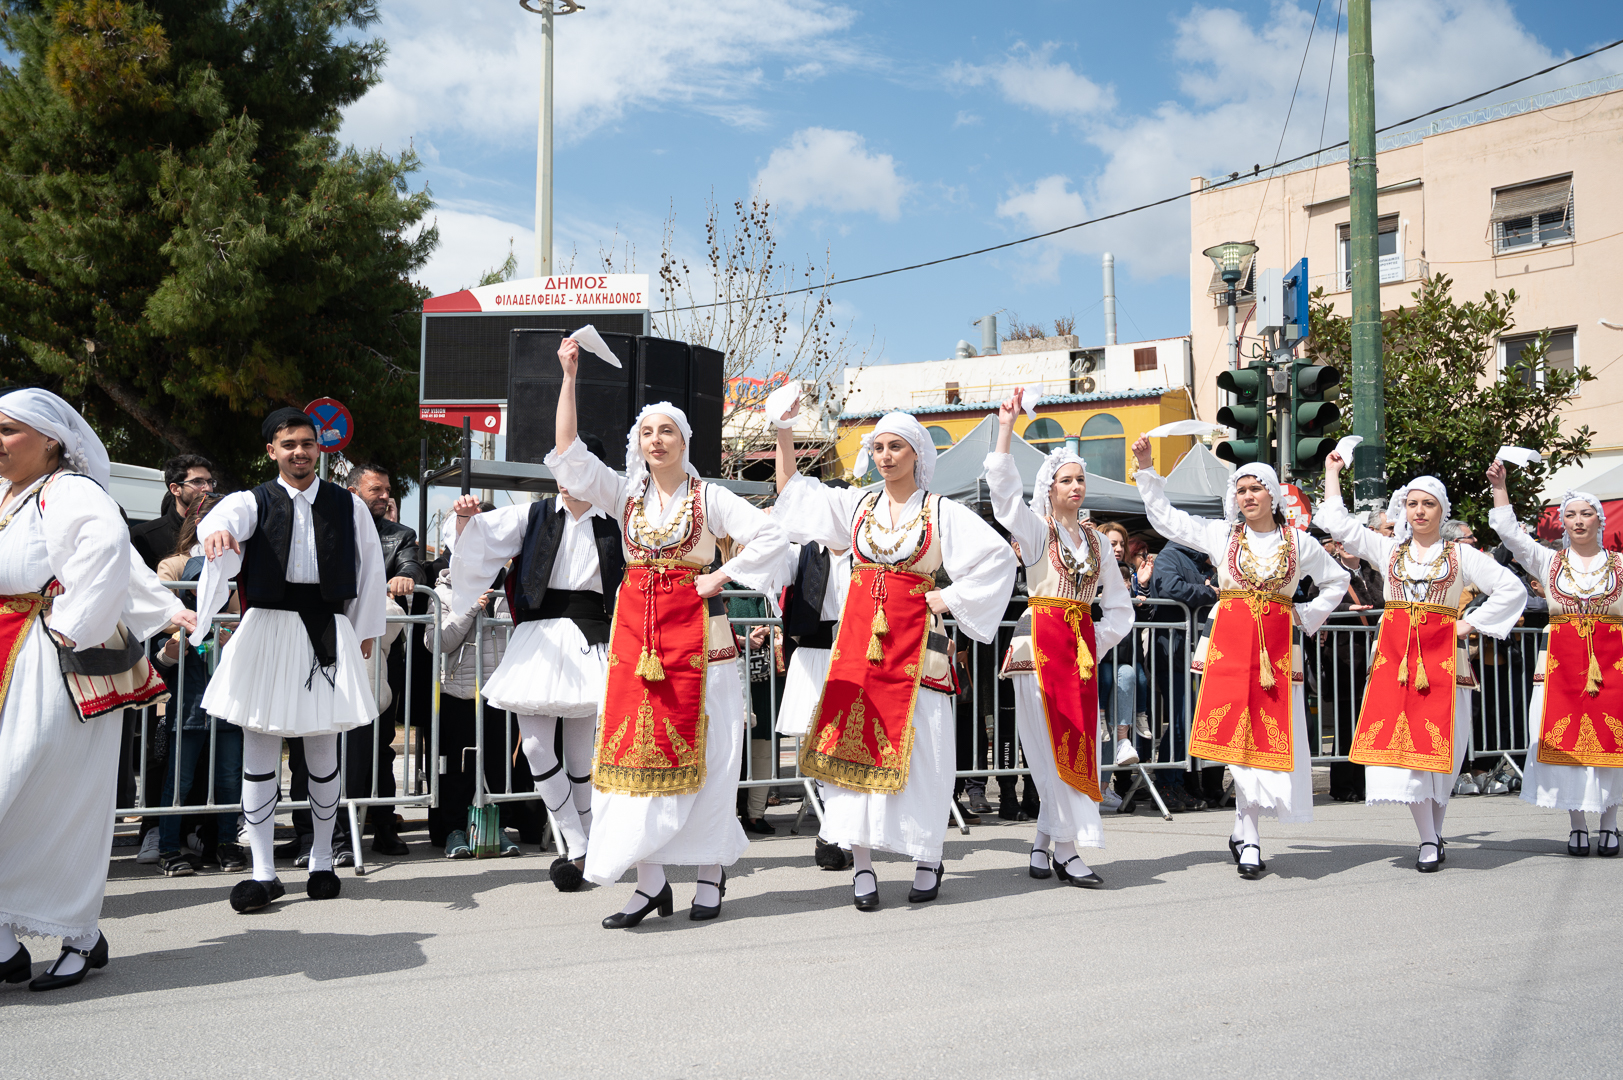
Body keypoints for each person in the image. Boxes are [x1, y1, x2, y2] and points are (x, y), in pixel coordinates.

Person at [547, 339, 788, 927]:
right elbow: (569, 453)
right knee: (632, 752)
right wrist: (569, 377)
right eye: (647, 432)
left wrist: (721, 576)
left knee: (711, 752)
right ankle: (650, 882)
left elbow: (772, 536)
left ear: (685, 441)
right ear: (639, 444)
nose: (656, 440)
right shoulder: (624, 494)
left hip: (703, 642)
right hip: (638, 641)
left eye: (667, 432)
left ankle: (709, 872)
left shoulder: (711, 497)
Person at [773, 404, 1017, 910]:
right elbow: (794, 494)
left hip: (917, 646)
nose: (885, 456)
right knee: (849, 751)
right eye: (879, 447)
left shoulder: (941, 511)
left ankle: (927, 857)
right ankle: (861, 866)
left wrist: (948, 597)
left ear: (917, 454)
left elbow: (998, 558)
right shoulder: (857, 504)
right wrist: (784, 429)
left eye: (896, 447)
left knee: (924, 752)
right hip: (860, 646)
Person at [0, 389, 192, 992]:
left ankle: (79, 934)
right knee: (17, 794)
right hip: (10, 651)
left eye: (7, 430)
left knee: (54, 794)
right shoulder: (9, 493)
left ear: (50, 440)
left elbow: (109, 553)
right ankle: (7, 941)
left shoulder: (69, 491)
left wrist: (70, 625)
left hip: (49, 662)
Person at [191, 408, 387, 912]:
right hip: (267, 629)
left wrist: (365, 629)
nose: (300, 451)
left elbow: (370, 568)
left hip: (326, 627)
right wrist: (215, 534)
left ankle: (322, 859)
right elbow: (222, 520)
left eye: (307, 443)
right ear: (271, 451)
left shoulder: (348, 504)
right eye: (289, 444)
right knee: (259, 750)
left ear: (319, 447)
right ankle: (262, 871)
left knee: (322, 751)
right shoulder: (252, 500)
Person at [1131, 435, 1348, 878]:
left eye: (1256, 488)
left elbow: (1337, 581)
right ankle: (1249, 838)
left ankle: (1244, 831)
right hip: (1230, 646)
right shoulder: (1222, 535)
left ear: (1273, 495)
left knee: (1266, 741)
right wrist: (1147, 469)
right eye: (1241, 490)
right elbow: (1166, 519)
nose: (1248, 496)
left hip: (1276, 653)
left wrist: (1304, 614)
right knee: (1236, 742)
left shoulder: (1299, 543)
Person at [1319, 454, 1525, 872]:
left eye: (1428, 504)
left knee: (1442, 751)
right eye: (1412, 503)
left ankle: (1434, 832)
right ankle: (1428, 837)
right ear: (1404, 510)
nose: (1419, 511)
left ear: (1441, 510)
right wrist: (1332, 474)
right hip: (1397, 661)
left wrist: (1469, 623)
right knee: (1407, 753)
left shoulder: (1461, 555)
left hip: (1444, 661)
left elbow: (1511, 589)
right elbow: (1338, 524)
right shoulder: (1388, 548)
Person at [449, 433, 623, 891]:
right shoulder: (533, 514)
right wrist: (465, 521)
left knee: (581, 756)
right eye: (559, 469)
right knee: (535, 748)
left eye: (575, 469)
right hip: (537, 637)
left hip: (592, 638)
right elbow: (477, 546)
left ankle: (587, 845)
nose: (564, 479)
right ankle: (578, 842)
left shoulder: (618, 521)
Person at [986, 391, 1132, 887]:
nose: (1075, 486)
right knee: (1048, 750)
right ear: (1049, 488)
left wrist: (1095, 640)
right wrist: (1006, 429)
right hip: (1038, 647)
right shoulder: (1035, 531)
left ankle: (1044, 841)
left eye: (1080, 479)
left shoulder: (1097, 542)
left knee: (1077, 744)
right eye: (1066, 479)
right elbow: (1004, 497)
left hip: (1078, 655)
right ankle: (1068, 852)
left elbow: (1120, 608)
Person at [1487, 468, 1622, 856]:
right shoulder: (1549, 561)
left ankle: (1610, 824)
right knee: (1567, 746)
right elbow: (1510, 535)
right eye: (1571, 515)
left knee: (1612, 742)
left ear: (1599, 520)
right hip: (1561, 667)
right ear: (1563, 522)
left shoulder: (1619, 564)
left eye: (1586, 514)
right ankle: (1577, 824)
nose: (1578, 521)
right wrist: (1500, 488)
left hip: (1613, 664)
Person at [152, 493, 246, 876]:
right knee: (179, 780)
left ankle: (227, 843)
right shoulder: (176, 581)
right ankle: (167, 848)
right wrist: (175, 648)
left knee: (229, 778)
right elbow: (158, 656)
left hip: (229, 705)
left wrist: (233, 635)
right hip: (188, 705)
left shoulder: (237, 588)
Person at [343, 464, 423, 856]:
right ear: (352, 491)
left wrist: (404, 576)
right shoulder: (330, 527)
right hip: (330, 651)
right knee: (323, 746)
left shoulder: (399, 535)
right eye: (376, 489)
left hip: (380, 659)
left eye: (387, 489)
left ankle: (384, 827)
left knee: (379, 745)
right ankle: (320, 831)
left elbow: (411, 564)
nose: (385, 495)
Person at [129, 454, 215, 571]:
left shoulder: (220, 529)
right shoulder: (146, 536)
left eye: (209, 482)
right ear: (175, 489)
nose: (207, 488)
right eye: (197, 482)